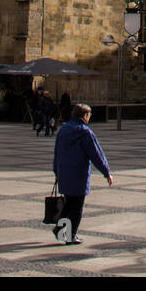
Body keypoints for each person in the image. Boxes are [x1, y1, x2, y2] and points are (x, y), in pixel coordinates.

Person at [52, 103, 112, 245]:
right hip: (78, 174)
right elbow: (96, 154)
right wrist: (106, 172)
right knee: (76, 207)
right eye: (89, 116)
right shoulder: (85, 132)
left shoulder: (63, 130)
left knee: (69, 205)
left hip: (64, 173)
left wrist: (56, 170)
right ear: (85, 116)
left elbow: (57, 153)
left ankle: (61, 231)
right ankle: (70, 235)